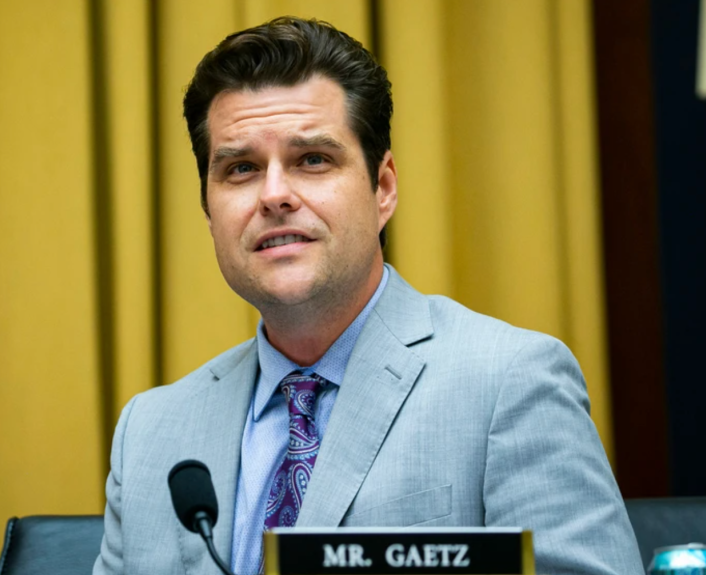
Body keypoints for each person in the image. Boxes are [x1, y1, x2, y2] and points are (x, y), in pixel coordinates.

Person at [93, 17, 642, 575]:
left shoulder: (510, 381)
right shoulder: (151, 431)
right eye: (241, 169)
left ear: (382, 188)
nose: (275, 194)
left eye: (313, 159)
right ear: (210, 211)